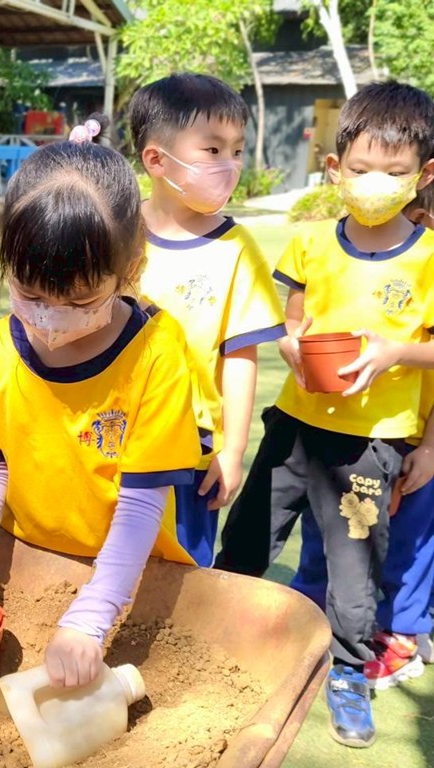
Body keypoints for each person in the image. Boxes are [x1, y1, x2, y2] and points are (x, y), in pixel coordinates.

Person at [0, 116, 203, 689]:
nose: (50, 318)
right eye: (29, 294)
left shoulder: (156, 353)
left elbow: (141, 504)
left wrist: (92, 615)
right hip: (27, 560)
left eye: (79, 300)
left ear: (131, 266)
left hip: (131, 576)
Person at [216, 82, 434, 747]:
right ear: (335, 168)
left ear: (424, 175)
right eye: (361, 169)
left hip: (373, 444)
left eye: (394, 172)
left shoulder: (429, 257)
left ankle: (346, 673)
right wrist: (296, 350)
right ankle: (212, 634)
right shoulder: (310, 244)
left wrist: (396, 353)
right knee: (248, 536)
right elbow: (293, 326)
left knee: (354, 570)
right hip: (295, 427)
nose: (375, 184)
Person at [128, 73, 285, 568]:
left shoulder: (237, 249)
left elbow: (240, 356)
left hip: (191, 451)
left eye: (237, 150)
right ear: (156, 160)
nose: (230, 165)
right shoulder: (114, 229)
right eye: (213, 150)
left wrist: (232, 450)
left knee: (180, 573)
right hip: (110, 435)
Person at [289, 184, 434, 683]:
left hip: (412, 436)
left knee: (405, 538)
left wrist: (430, 447)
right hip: (360, 426)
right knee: (334, 525)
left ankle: (401, 631)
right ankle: (312, 614)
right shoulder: (365, 260)